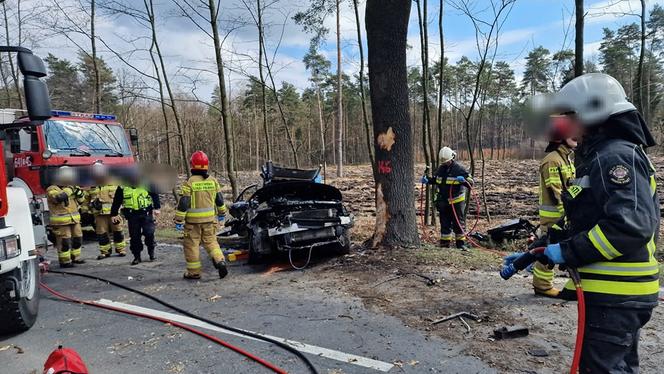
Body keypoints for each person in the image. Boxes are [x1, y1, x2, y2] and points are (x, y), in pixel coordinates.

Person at [538, 73, 659, 372]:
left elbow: (629, 226)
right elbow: (590, 219)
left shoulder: (614, 156)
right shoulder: (602, 155)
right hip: (615, 296)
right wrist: (545, 246)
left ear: (592, 112)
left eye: (570, 116)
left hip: (617, 296)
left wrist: (568, 253)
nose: (566, 125)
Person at [532, 116, 577, 298]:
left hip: (564, 215)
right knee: (547, 252)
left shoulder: (565, 158)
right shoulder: (552, 160)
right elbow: (556, 192)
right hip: (554, 216)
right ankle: (542, 286)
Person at [174, 151, 228, 280]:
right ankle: (220, 261)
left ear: (192, 165)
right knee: (211, 243)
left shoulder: (189, 182)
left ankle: (194, 273)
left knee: (191, 246)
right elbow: (220, 200)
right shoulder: (213, 181)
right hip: (210, 221)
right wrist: (222, 214)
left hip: (193, 223)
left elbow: (184, 203)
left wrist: (179, 220)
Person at [421, 146, 474, 248]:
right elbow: (437, 180)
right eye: (444, 162)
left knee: (458, 223)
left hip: (457, 202)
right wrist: (428, 180)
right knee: (444, 224)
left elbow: (471, 182)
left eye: (447, 162)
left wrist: (464, 181)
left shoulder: (459, 169)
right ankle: (445, 245)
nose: (445, 163)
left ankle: (461, 245)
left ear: (452, 158)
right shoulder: (441, 169)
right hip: (444, 202)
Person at [110, 168, 161, 265]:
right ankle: (137, 256)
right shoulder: (123, 186)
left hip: (146, 213)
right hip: (132, 215)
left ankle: (151, 251)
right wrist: (114, 213)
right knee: (134, 237)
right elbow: (117, 201)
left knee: (149, 233)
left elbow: (155, 194)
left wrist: (157, 208)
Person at [47, 166, 85, 267]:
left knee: (78, 238)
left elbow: (82, 200)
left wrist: (79, 193)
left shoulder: (71, 187)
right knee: (65, 242)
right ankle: (65, 261)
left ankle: (76, 258)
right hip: (61, 222)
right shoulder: (52, 189)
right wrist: (70, 189)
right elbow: (58, 198)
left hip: (74, 220)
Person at [89, 164, 126, 260]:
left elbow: (122, 196)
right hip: (100, 214)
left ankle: (121, 249)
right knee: (102, 233)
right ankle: (105, 252)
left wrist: (123, 209)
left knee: (118, 230)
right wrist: (90, 206)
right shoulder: (92, 185)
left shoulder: (115, 182)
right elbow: (86, 198)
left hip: (114, 213)